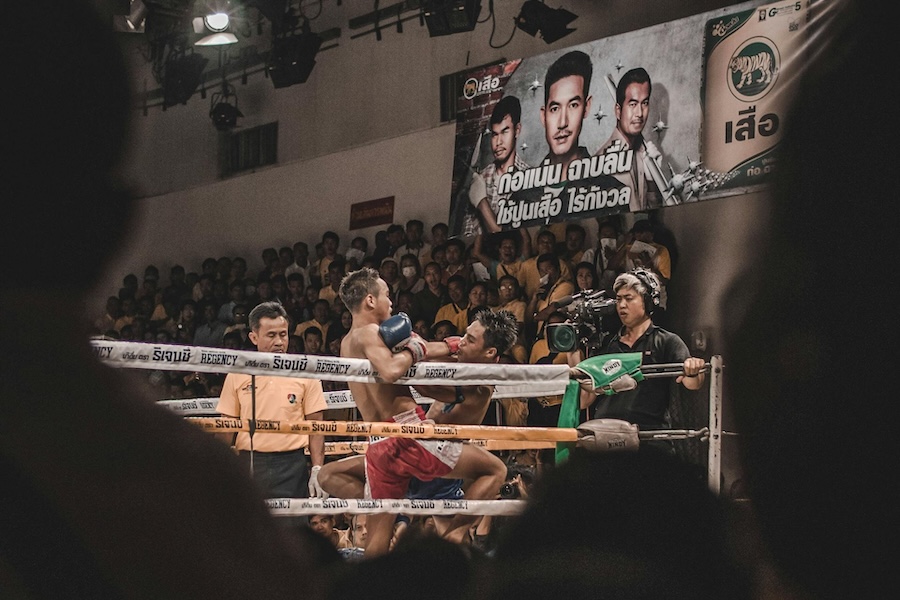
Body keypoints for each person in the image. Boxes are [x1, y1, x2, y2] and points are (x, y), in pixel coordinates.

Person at [1, 2, 325, 597]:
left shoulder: (182, 482)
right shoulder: (181, 492)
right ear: (114, 229)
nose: (280, 341)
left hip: (283, 461)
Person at [334, 267, 508, 556]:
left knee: (377, 538)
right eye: (386, 294)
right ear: (370, 300)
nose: (391, 301)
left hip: (379, 443)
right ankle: (453, 537)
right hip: (410, 437)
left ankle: (371, 580)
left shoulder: (348, 341)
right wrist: (413, 351)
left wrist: (443, 346)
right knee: (496, 469)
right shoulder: (371, 333)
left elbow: (422, 351)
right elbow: (393, 369)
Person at [216, 302, 328, 510]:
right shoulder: (238, 373)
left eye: (283, 334)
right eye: (271, 335)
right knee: (250, 523)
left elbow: (316, 426)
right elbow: (226, 427)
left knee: (294, 527)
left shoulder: (304, 372)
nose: (279, 342)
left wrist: (317, 469)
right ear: (254, 337)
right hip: (250, 461)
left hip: (292, 464)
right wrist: (217, 467)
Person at [570, 269, 704, 432]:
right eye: (619, 299)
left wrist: (693, 369)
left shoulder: (667, 341)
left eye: (629, 298)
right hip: (606, 434)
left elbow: (693, 383)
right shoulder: (606, 344)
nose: (622, 305)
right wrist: (572, 351)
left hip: (649, 435)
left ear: (647, 302)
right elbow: (584, 401)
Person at [595, 67, 666, 211]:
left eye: (644, 103)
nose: (639, 113)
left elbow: (652, 214)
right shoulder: (599, 164)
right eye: (633, 104)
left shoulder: (645, 153)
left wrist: (652, 181)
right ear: (618, 111)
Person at [464, 95, 532, 237]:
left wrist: (482, 203)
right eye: (495, 134)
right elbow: (469, 232)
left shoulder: (531, 178)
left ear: (517, 130)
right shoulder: (481, 179)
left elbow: (515, 234)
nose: (498, 142)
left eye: (505, 131)